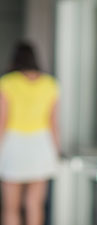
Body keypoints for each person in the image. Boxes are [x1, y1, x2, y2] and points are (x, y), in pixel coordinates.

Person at [0, 41, 59, 225]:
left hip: (13, 144)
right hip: (41, 145)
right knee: (35, 204)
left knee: (11, 207)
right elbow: (54, 122)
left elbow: (2, 120)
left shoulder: (7, 83)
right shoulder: (50, 84)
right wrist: (57, 150)